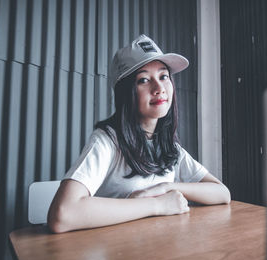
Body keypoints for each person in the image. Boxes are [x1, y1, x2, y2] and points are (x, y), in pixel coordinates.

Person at [48, 34, 231, 233]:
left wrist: (167, 189)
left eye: (164, 76)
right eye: (144, 80)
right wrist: (158, 205)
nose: (159, 88)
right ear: (126, 93)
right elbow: (62, 215)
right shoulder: (107, 141)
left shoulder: (170, 148)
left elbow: (222, 193)